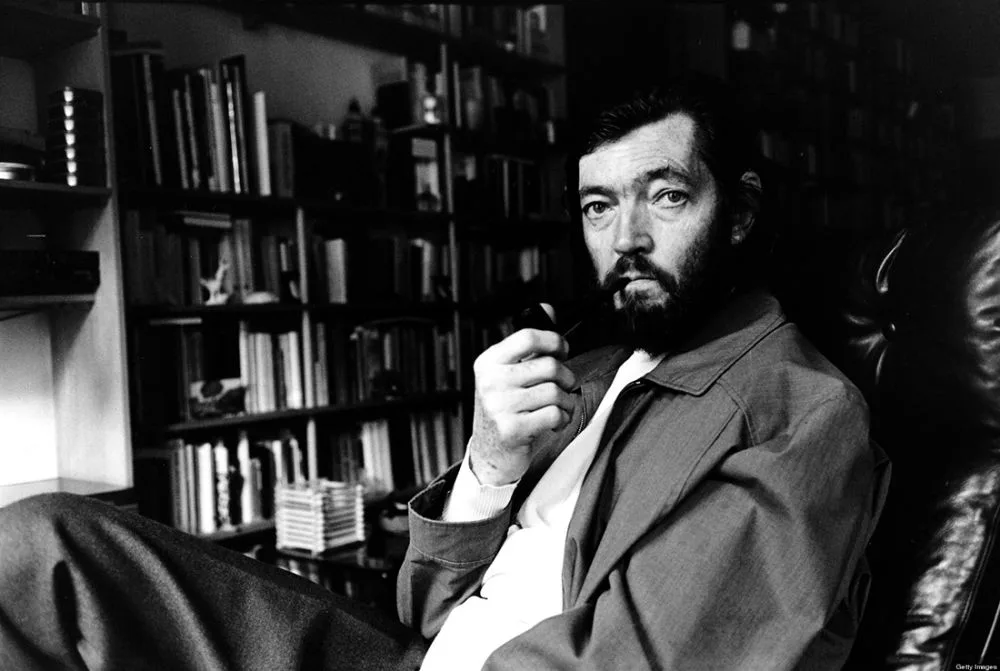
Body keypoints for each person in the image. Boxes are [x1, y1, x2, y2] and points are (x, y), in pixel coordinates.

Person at [0, 75, 888, 671]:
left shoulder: (802, 412)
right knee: (40, 546)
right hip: (406, 656)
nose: (626, 239)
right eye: (597, 206)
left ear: (739, 213)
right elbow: (423, 605)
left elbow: (650, 658)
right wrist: (488, 464)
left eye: (666, 195)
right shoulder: (586, 371)